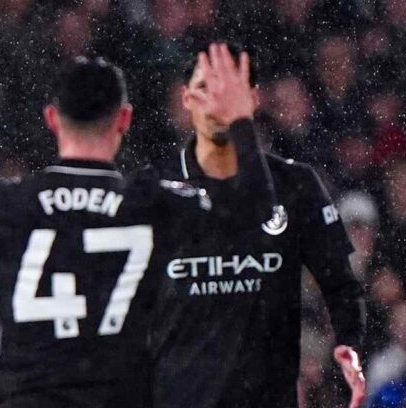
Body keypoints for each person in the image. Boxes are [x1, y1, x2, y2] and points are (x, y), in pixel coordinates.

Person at [0, 45, 276, 407]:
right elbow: (258, 220)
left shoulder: (6, 203)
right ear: (124, 120)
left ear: (52, 118)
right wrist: (239, 122)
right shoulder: (153, 203)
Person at [148, 43, 367, 408]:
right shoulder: (153, 190)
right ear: (185, 99)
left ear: (253, 99)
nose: (218, 104)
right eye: (205, 89)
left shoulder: (296, 185)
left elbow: (341, 285)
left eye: (229, 92)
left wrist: (350, 342)